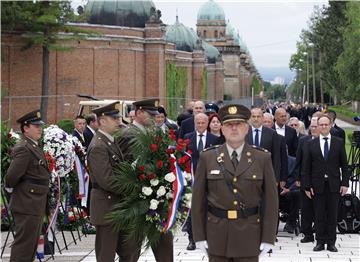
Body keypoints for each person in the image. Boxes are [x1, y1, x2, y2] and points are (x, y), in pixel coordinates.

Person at [192, 104, 278, 262]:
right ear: (222, 129)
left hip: (250, 235)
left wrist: (268, 237)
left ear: (247, 128)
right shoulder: (208, 157)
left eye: (238, 124)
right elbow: (198, 200)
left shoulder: (262, 158)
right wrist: (199, 236)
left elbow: (271, 201)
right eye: (229, 125)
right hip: (216, 235)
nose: (234, 129)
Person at [87, 102, 141, 261]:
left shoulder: (110, 141)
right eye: (115, 118)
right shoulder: (98, 145)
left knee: (130, 250)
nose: (119, 121)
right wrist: (132, 188)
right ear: (102, 121)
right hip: (106, 207)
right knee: (106, 255)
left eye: (119, 118)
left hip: (117, 205)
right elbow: (107, 180)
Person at [128, 98, 174, 262]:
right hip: (137, 198)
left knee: (164, 245)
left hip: (157, 197)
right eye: (150, 114)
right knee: (132, 250)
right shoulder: (128, 134)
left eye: (156, 114)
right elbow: (124, 168)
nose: (154, 118)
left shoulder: (154, 132)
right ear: (139, 113)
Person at [4, 110, 50, 261]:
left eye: (40, 126)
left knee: (30, 246)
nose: (40, 129)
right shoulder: (24, 147)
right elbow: (11, 177)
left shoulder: (33, 145)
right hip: (27, 203)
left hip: (34, 203)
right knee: (24, 246)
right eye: (36, 126)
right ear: (26, 128)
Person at [302, 115, 350, 252]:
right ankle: (320, 242)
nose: (323, 127)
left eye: (325, 124)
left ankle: (331, 243)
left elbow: (344, 166)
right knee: (319, 215)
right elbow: (306, 167)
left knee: (333, 215)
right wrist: (307, 185)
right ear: (317, 126)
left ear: (330, 125)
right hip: (317, 185)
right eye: (320, 125)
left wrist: (345, 183)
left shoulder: (338, 142)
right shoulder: (311, 144)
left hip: (334, 184)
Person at [184, 113, 221, 250]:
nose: (200, 125)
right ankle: (191, 239)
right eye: (198, 123)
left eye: (202, 123)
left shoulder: (214, 139)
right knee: (192, 209)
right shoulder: (188, 138)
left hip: (209, 179)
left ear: (207, 123)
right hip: (191, 178)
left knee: (208, 209)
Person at [294, 116, 320, 243]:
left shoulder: (326, 141)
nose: (313, 129)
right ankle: (307, 234)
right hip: (305, 179)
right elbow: (298, 161)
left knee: (320, 208)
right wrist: (298, 177)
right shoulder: (303, 141)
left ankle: (320, 232)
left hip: (320, 180)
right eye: (312, 127)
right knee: (306, 208)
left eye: (316, 127)